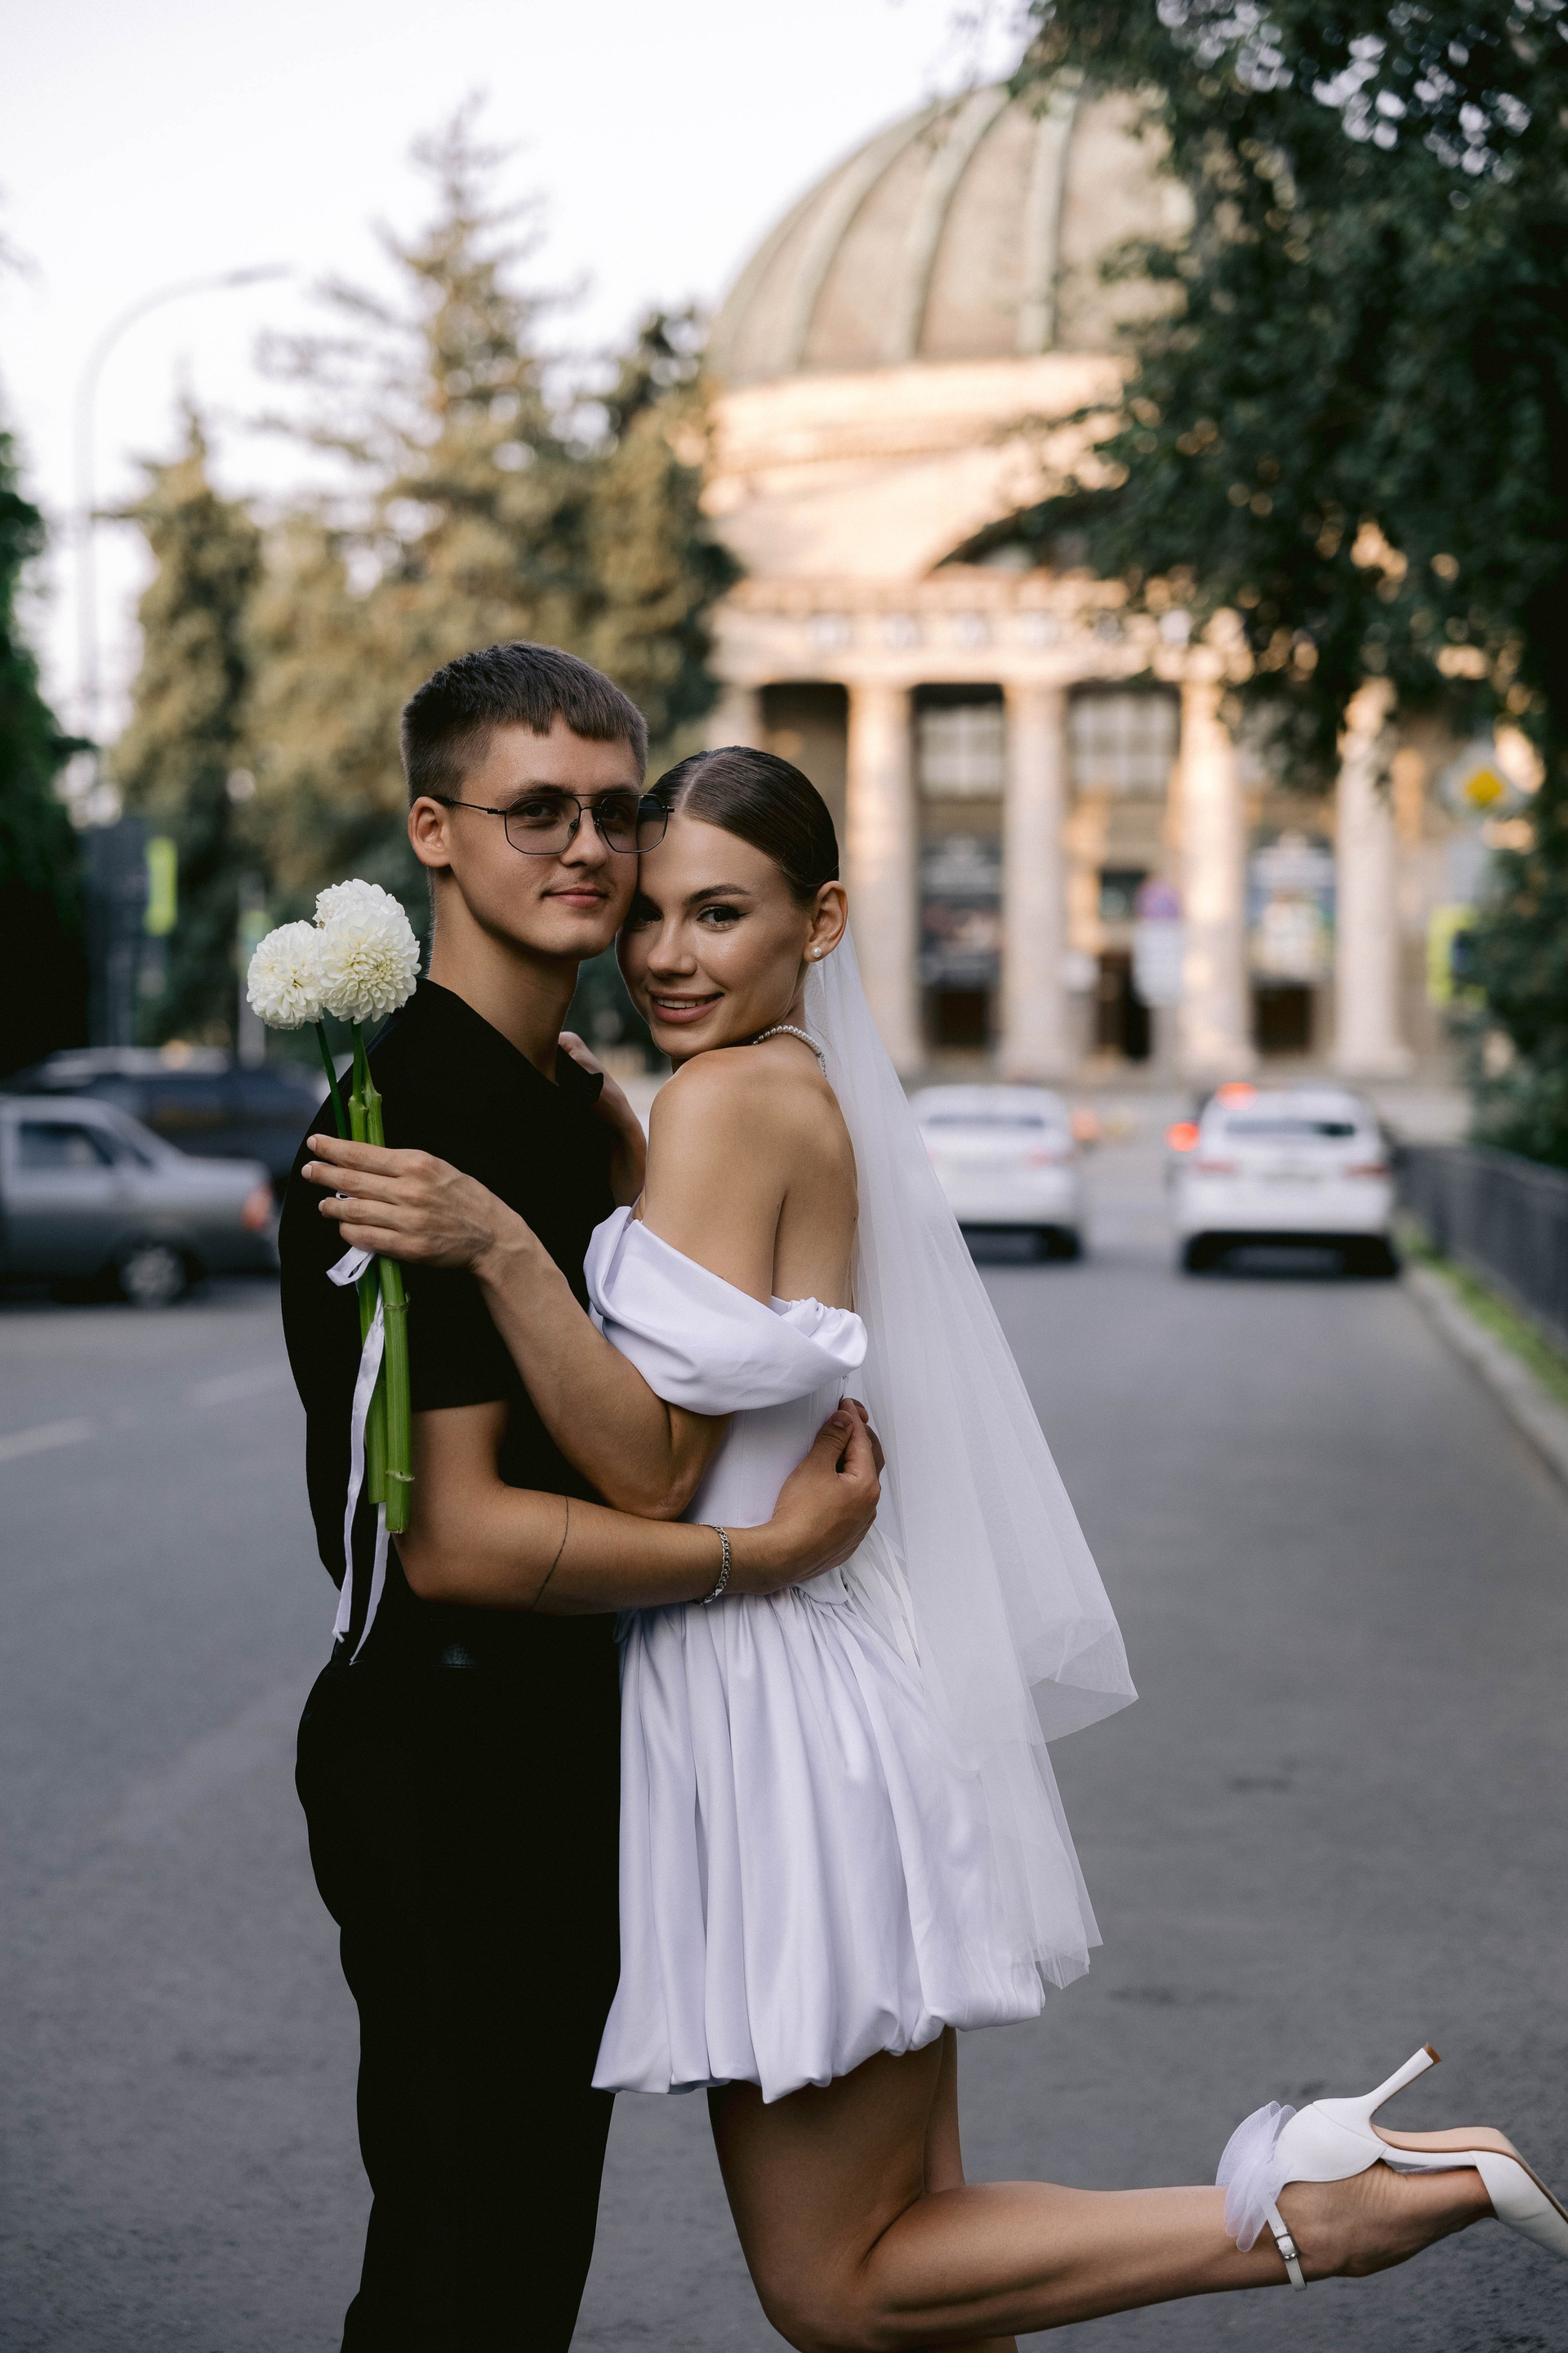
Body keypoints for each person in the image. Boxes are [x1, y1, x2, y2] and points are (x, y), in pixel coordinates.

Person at [306, 746, 1568, 2348]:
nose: (668, 955)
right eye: (652, 916)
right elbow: (728, 1335)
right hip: (836, 1691)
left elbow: (650, 1462)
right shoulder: (775, 1093)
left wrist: (499, 1242)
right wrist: (615, 1148)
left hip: (769, 1712)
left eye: (721, 914)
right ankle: (1330, 2190)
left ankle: (1323, 2202)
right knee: (929, 2251)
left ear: (820, 922)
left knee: (838, 2279)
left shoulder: (726, 1101)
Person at [278, 657, 881, 2353]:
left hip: (566, 1753)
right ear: (433, 832)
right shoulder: (410, 1125)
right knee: (466, 2273)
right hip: (451, 1755)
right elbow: (460, 1539)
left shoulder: (571, 1109)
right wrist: (758, 1555)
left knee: (523, 2258)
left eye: (617, 810)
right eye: (538, 810)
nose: (593, 849)